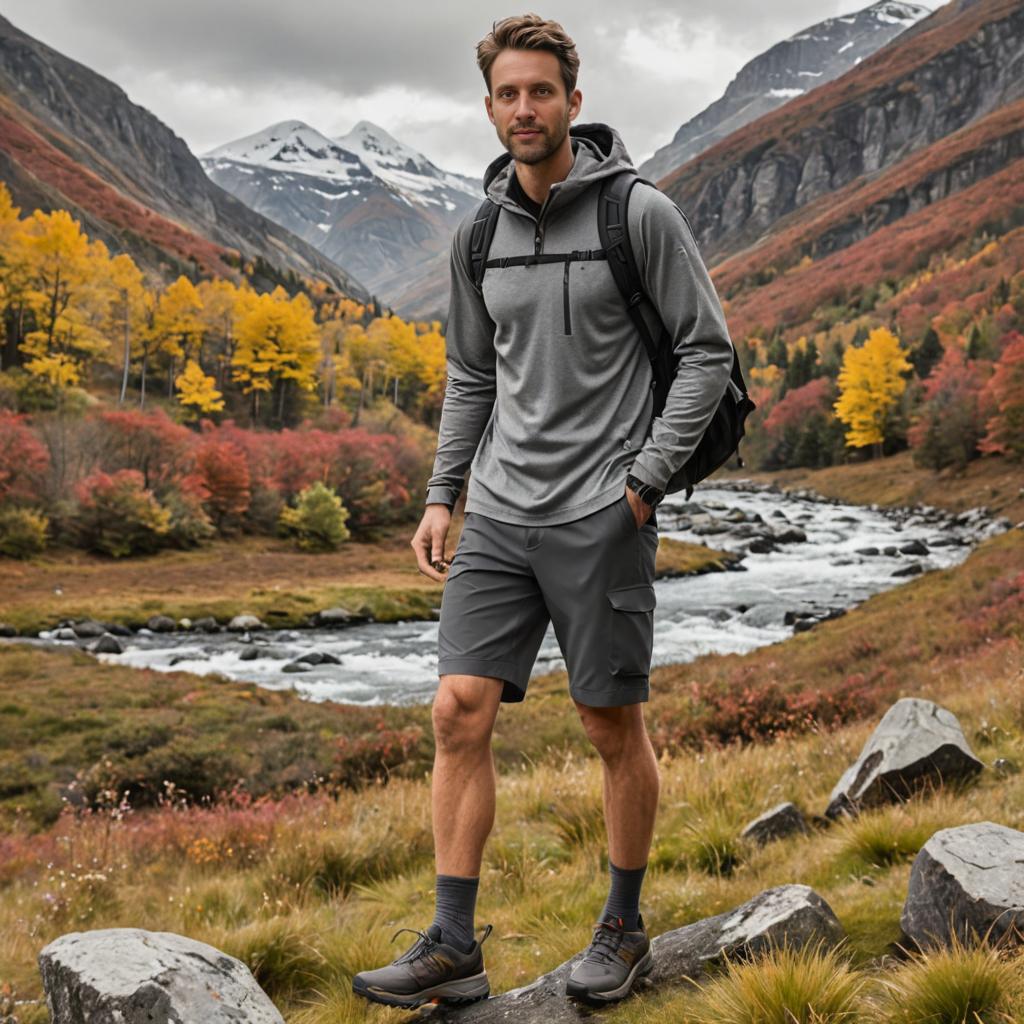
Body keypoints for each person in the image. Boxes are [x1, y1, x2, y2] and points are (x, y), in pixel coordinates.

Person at [352, 12, 734, 1010]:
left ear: (573, 100)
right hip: (501, 516)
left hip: (602, 513)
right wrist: (445, 493)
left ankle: (622, 926)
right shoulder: (478, 232)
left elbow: (706, 352)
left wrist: (645, 480)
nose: (524, 109)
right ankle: (451, 941)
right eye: (507, 94)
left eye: (540, 91)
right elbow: (472, 371)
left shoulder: (637, 214)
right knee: (455, 710)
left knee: (610, 722)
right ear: (489, 109)